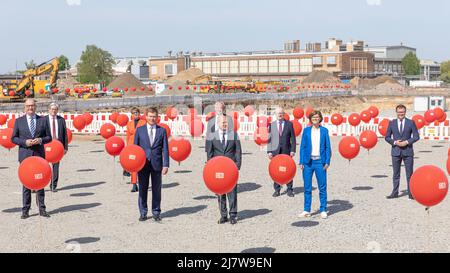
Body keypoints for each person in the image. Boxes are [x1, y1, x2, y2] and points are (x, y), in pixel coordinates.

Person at [11, 98, 52, 219]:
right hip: (25, 156)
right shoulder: (19, 121)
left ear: (35, 107)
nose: (30, 108)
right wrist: (25, 142)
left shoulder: (43, 120)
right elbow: (13, 138)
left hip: (39, 156)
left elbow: (49, 137)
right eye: (28, 106)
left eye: (32, 106)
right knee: (26, 183)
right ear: (25, 107)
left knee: (40, 182)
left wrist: (40, 140)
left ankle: (42, 209)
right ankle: (25, 210)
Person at [134, 107, 169, 222]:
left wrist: (166, 165)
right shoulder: (139, 130)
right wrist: (134, 165)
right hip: (142, 164)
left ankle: (156, 212)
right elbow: (135, 148)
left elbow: (165, 149)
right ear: (146, 116)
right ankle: (143, 212)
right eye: (150, 116)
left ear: (157, 117)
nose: (152, 118)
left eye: (154, 116)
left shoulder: (162, 131)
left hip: (157, 164)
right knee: (143, 189)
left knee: (156, 190)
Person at [206, 114, 242, 225]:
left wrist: (237, 166)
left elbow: (238, 152)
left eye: (226, 122)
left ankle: (233, 215)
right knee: (220, 193)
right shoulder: (212, 136)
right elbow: (210, 153)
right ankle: (223, 215)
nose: (225, 124)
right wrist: (210, 168)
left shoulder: (234, 135)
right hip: (217, 170)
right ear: (218, 123)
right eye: (223, 122)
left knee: (232, 192)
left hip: (231, 170)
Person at [298, 110, 331, 219]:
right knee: (307, 187)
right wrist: (301, 161)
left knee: (322, 187)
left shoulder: (324, 131)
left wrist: (327, 162)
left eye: (317, 117)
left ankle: (323, 209)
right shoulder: (306, 131)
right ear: (310, 119)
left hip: (320, 162)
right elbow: (302, 147)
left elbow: (327, 148)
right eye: (313, 117)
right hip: (308, 162)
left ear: (320, 118)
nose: (315, 119)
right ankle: (306, 209)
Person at [384, 104, 420, 200]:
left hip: (408, 152)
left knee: (410, 174)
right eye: (399, 112)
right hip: (395, 152)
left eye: (402, 112)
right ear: (396, 112)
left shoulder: (411, 122)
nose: (401, 113)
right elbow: (387, 137)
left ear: (405, 112)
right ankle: (395, 193)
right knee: (396, 174)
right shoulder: (392, 123)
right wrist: (395, 142)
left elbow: (416, 136)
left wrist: (407, 142)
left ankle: (411, 194)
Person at [267, 107, 296, 197]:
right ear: (275, 114)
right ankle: (277, 190)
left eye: (281, 113)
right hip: (275, 152)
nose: (280, 115)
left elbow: (293, 139)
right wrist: (269, 151)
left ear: (284, 114)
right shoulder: (272, 125)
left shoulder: (289, 124)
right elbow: (269, 139)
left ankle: (290, 189)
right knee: (276, 170)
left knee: (288, 169)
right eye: (278, 113)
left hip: (286, 151)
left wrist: (293, 150)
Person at [44, 102, 68, 192]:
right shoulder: (44, 120)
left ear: (57, 110)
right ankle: (39, 185)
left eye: (55, 109)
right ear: (49, 110)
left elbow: (65, 134)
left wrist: (65, 147)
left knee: (56, 167)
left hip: (58, 147)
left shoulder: (61, 120)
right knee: (44, 166)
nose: (54, 111)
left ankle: (53, 186)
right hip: (46, 146)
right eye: (52, 109)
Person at [126, 107, 146, 192]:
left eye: (137, 112)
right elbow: (128, 136)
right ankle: (134, 184)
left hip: (141, 146)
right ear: (132, 115)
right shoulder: (129, 124)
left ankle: (142, 183)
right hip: (131, 146)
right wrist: (127, 147)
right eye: (134, 113)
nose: (136, 114)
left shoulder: (143, 122)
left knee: (141, 166)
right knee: (133, 166)